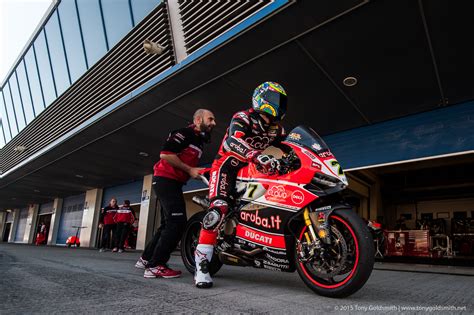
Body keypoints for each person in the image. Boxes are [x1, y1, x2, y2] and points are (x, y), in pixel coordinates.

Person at [194, 82, 287, 288]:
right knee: (218, 209)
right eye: (276, 99)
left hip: (252, 168)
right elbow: (231, 142)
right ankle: (201, 266)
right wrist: (255, 154)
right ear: (262, 98)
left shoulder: (276, 129)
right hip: (226, 166)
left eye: (282, 101)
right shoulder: (243, 117)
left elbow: (290, 145)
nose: (280, 104)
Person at [136, 109, 216, 279]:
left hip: (171, 182)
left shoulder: (198, 141)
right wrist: (189, 169)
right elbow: (165, 154)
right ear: (198, 119)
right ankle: (156, 266)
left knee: (167, 224)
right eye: (211, 119)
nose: (214, 123)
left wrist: (197, 172)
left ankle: (146, 258)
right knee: (177, 223)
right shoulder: (184, 133)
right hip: (166, 180)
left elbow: (187, 166)